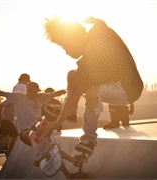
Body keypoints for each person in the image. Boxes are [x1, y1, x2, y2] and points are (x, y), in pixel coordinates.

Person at [44, 16, 144, 154]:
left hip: (130, 88)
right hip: (114, 81)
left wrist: (56, 123)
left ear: (74, 40)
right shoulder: (97, 32)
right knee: (72, 75)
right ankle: (70, 114)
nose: (66, 52)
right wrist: (93, 20)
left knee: (92, 91)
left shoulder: (89, 61)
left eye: (65, 47)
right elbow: (101, 24)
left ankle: (89, 138)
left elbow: (74, 98)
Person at [0, 82, 66, 135]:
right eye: (34, 92)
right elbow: (0, 93)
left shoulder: (41, 96)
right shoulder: (18, 97)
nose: (36, 94)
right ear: (28, 91)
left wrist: (63, 91)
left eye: (37, 92)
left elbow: (54, 94)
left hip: (37, 128)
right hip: (25, 130)